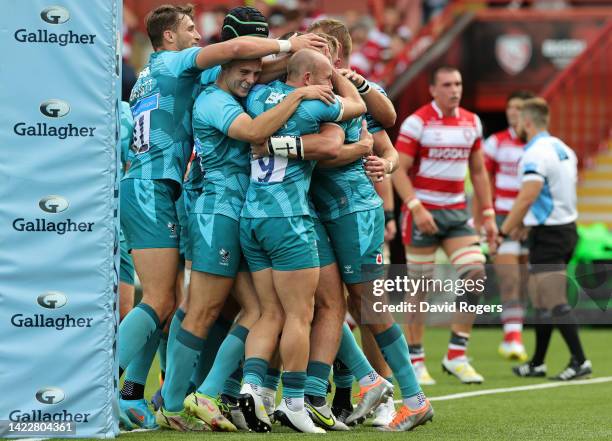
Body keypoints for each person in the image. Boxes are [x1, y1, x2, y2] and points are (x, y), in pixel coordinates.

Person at [118, 1, 327, 387]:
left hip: (166, 187)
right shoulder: (178, 66)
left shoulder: (166, 76)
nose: (197, 35)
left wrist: (302, 65)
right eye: (189, 28)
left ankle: (137, 393)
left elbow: (248, 67)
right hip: (169, 191)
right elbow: (233, 55)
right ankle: (110, 385)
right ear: (169, 35)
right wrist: (290, 45)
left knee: (173, 303)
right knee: (171, 302)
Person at [155, 53, 336, 431]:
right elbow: (256, 134)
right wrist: (297, 94)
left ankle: (208, 391)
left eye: (256, 73)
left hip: (241, 213)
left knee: (260, 311)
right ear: (224, 68)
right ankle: (170, 400)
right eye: (244, 72)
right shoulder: (214, 100)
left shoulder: (244, 94)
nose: (251, 80)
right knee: (201, 309)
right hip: (218, 212)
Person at [307, 19, 433, 433]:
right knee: (322, 304)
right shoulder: (304, 87)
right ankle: (369, 384)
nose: (313, 50)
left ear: (338, 54)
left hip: (354, 210)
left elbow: (389, 148)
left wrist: (383, 161)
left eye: (323, 46)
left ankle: (409, 398)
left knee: (369, 307)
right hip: (316, 211)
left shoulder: (351, 87)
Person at [238, 48, 366, 434]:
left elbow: (269, 80)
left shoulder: (259, 95)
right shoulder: (315, 107)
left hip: (252, 216)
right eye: (325, 77)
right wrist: (341, 77)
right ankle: (294, 402)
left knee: (268, 313)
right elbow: (357, 108)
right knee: (299, 314)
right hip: (288, 219)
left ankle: (252, 391)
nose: (330, 84)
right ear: (310, 80)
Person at [393, 65, 497, 385]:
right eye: (448, 84)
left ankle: (456, 355)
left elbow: (478, 172)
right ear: (433, 90)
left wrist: (489, 214)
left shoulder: (472, 121)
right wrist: (415, 206)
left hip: (456, 215)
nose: (455, 89)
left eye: (459, 83)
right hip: (421, 213)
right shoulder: (417, 122)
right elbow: (397, 169)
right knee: (420, 288)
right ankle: (416, 359)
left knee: (476, 275)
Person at [499, 97, 592, 381]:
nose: (516, 126)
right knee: (539, 299)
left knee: (553, 299)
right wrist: (529, 224)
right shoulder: (563, 149)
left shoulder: (534, 153)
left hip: (551, 235)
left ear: (527, 122)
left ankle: (580, 360)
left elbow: (529, 194)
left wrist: (505, 230)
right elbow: (554, 193)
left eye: (518, 121)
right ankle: (538, 362)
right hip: (560, 229)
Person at [477, 90, 535, 361]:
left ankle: (515, 334)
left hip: (533, 221)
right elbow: (483, 180)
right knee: (509, 278)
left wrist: (528, 217)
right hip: (502, 218)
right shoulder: (495, 143)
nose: (513, 112)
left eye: (519, 108)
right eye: (510, 107)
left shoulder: (538, 145)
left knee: (524, 282)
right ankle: (512, 339)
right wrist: (483, 217)